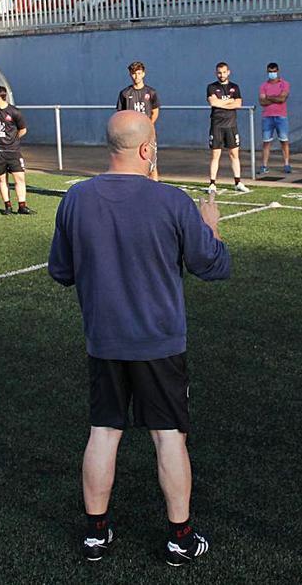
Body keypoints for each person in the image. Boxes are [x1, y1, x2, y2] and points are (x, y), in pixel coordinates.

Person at [49, 111, 231, 566]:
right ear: (147, 150)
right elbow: (213, 264)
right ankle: (180, 538)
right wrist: (211, 224)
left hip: (104, 341)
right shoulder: (172, 201)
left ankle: (96, 534)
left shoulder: (76, 199)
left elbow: (61, 272)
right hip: (159, 343)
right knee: (168, 436)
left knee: (104, 432)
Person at [0, 86, 33, 215]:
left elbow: (23, 130)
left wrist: (13, 140)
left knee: (19, 178)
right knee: (1, 179)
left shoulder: (15, 112)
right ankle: (7, 206)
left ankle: (22, 206)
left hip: (13, 151)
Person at [206, 62, 249, 194]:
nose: (222, 75)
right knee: (215, 155)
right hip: (217, 125)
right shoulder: (212, 87)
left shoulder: (234, 87)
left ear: (228, 72)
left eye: (224, 72)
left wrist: (221, 103)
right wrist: (229, 101)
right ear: (216, 73)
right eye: (219, 72)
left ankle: (238, 182)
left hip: (231, 125)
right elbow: (213, 102)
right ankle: (212, 183)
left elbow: (238, 103)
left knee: (234, 154)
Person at [116, 61, 162, 181]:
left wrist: (148, 125)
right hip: (131, 135)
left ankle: (154, 191)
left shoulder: (151, 92)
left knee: (152, 164)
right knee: (131, 164)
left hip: (147, 134)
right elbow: (120, 114)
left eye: (139, 73)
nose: (136, 76)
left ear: (143, 74)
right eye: (133, 73)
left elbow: (155, 111)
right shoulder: (125, 93)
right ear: (130, 75)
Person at [258, 62, 292, 175]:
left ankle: (286, 164)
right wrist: (275, 98)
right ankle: (264, 165)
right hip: (267, 117)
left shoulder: (284, 84)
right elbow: (262, 101)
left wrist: (270, 98)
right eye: (270, 72)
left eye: (274, 71)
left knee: (284, 141)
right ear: (267, 72)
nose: (272, 73)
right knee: (266, 142)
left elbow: (282, 99)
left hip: (281, 117)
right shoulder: (263, 86)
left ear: (278, 71)